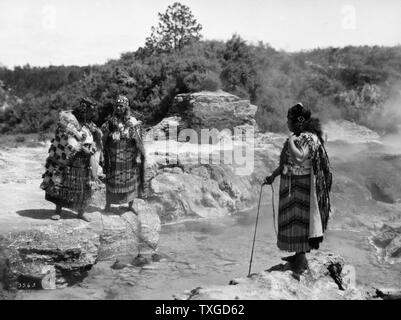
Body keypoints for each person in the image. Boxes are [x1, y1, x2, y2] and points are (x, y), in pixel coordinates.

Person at [263, 103, 332, 277]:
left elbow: (300, 158)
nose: (287, 123)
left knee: (302, 223)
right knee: (294, 223)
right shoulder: (299, 137)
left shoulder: (308, 138)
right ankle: (297, 255)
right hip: (293, 187)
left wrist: (291, 141)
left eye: (289, 120)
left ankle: (301, 261)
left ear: (298, 122)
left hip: (304, 189)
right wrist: (273, 175)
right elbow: (287, 162)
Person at [40, 97, 102, 222]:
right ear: (82, 110)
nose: (90, 114)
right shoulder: (69, 119)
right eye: (87, 111)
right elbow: (66, 138)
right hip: (68, 158)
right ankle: (58, 211)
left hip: (84, 161)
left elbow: (94, 139)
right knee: (62, 183)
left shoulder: (90, 124)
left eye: (91, 111)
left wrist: (93, 145)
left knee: (84, 186)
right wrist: (80, 148)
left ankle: (81, 212)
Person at [101, 95, 146, 212]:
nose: (118, 108)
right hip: (114, 155)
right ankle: (108, 205)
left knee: (131, 179)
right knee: (112, 179)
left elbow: (139, 139)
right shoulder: (110, 121)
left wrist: (138, 155)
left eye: (121, 106)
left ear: (126, 107)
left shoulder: (132, 121)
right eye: (117, 106)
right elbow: (104, 137)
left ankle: (130, 205)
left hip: (129, 156)